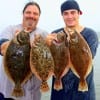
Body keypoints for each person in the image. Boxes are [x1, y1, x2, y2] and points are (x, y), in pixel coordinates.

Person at [46, 0, 99, 100]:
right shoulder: (55, 34)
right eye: (66, 13)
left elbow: (88, 58)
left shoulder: (90, 34)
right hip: (59, 93)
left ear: (79, 13)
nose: (69, 16)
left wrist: (72, 43)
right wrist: (46, 46)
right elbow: (48, 61)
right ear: (62, 15)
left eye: (73, 12)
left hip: (84, 93)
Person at [0, 1, 48, 100]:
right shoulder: (10, 30)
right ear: (23, 13)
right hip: (8, 94)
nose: (31, 16)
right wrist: (14, 42)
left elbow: (50, 58)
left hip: (33, 95)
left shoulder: (44, 35)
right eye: (28, 12)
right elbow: (2, 48)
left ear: (39, 16)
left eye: (35, 14)